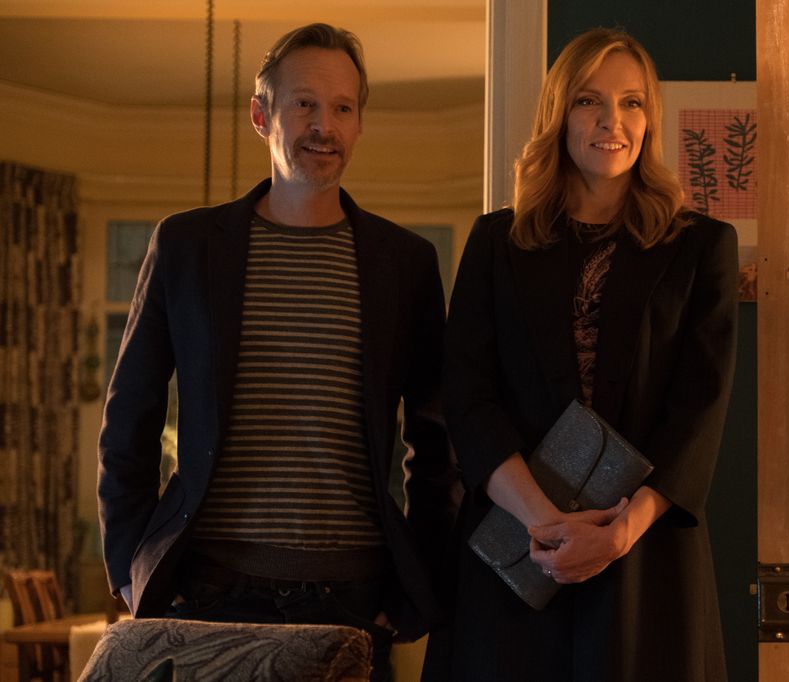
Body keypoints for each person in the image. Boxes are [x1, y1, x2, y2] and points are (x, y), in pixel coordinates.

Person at [97, 23, 454, 681]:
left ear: (359, 124)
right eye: (305, 104)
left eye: (343, 108)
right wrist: (127, 564)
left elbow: (436, 444)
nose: (325, 126)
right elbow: (130, 419)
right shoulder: (185, 246)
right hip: (207, 596)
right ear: (262, 116)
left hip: (355, 603)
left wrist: (421, 581)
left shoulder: (404, 264)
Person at [422, 28, 738, 681]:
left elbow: (699, 410)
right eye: (589, 101)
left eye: (631, 103)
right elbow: (468, 395)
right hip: (516, 548)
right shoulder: (496, 243)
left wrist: (619, 532)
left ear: (650, 120)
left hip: (645, 556)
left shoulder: (702, 247)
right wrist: (543, 520)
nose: (611, 121)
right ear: (559, 115)